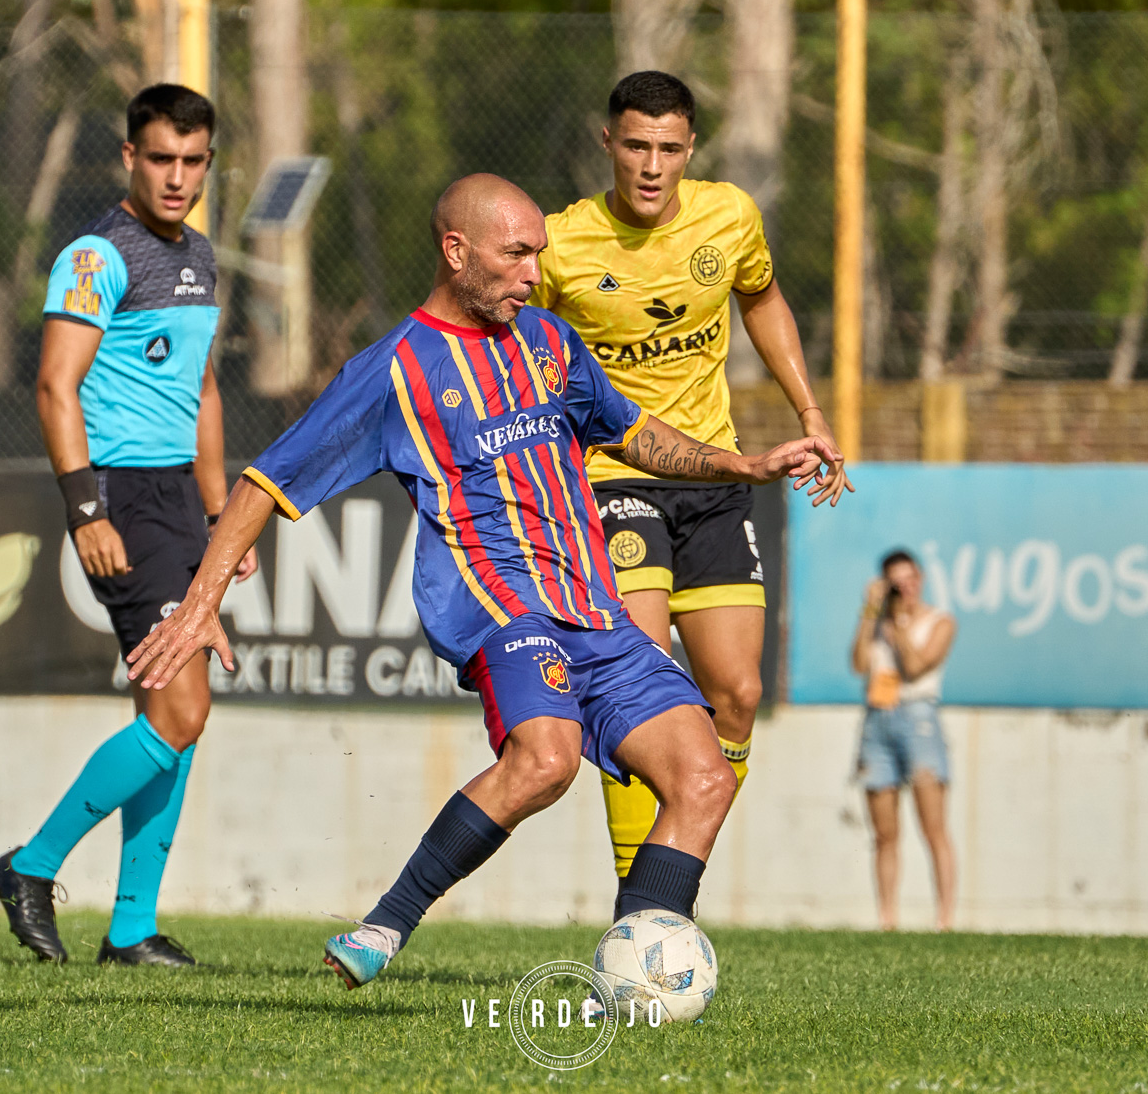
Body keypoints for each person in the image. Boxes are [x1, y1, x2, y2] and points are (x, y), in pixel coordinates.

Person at [125, 173, 841, 988]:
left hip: (593, 606)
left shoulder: (548, 341)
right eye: (516, 254)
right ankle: (388, 923)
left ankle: (634, 973)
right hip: (500, 606)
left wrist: (739, 464)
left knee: (706, 775)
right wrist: (200, 604)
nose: (535, 273)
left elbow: (633, 432)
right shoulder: (392, 371)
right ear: (455, 251)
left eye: (538, 253)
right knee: (547, 757)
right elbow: (268, 481)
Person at [531, 70, 851, 884]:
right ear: (607, 143)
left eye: (668, 148)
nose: (650, 165)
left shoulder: (729, 216)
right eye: (635, 145)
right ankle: (644, 902)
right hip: (608, 477)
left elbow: (764, 298)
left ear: (690, 150)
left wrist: (810, 411)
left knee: (737, 692)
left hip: (711, 474)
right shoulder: (562, 244)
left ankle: (678, 861)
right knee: (641, 679)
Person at [0, 84, 258, 968]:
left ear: (208, 163)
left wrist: (224, 516)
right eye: (160, 160)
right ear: (130, 159)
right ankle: (30, 867)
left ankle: (132, 929)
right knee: (181, 707)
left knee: (171, 712)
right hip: (123, 499)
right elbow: (53, 385)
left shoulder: (203, 255)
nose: (177, 178)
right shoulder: (96, 255)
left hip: (180, 500)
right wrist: (86, 508)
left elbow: (203, 390)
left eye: (193, 161)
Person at [852, 549, 957, 931]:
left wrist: (896, 624)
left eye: (910, 580)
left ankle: (944, 917)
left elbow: (914, 667)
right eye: (896, 583)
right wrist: (869, 612)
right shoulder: (877, 622)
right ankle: (887, 917)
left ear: (921, 578)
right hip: (878, 718)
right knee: (884, 831)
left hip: (919, 718)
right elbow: (859, 664)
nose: (905, 589)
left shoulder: (940, 621)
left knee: (933, 826)